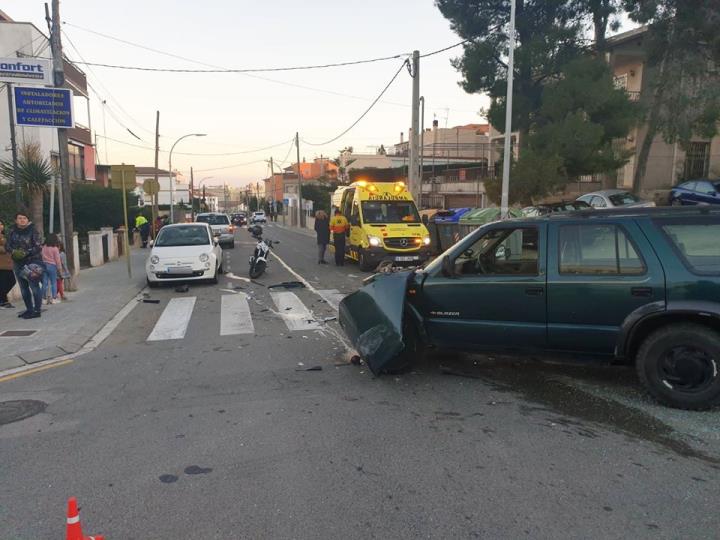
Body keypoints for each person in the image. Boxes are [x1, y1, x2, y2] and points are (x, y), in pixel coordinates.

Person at [6, 210, 44, 319]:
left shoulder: (33, 230)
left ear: (28, 220)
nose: (22, 220)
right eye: (20, 218)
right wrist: (14, 252)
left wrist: (25, 252)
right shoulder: (12, 231)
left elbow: (38, 246)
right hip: (18, 263)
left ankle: (37, 310)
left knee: (34, 286)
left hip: (32, 263)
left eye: (24, 218)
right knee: (23, 288)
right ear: (16, 220)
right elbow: (8, 246)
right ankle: (29, 309)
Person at [42, 234, 63, 304]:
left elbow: (41, 256)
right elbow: (58, 260)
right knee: (54, 282)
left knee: (44, 283)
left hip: (44, 265)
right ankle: (54, 298)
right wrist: (60, 270)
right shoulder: (55, 248)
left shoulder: (43, 247)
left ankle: (44, 299)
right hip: (52, 266)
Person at [0, 219, 16, 309]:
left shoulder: (3, 236)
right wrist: (6, 249)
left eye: (1, 224)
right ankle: (2, 300)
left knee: (6, 282)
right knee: (10, 281)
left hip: (8, 263)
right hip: (1, 264)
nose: (0, 226)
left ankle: (3, 301)